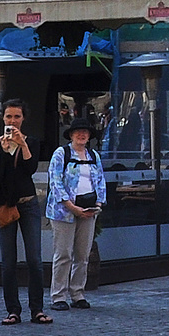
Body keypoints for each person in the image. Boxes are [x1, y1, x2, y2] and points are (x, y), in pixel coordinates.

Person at [0, 99, 47, 326]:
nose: (13, 121)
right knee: (8, 261)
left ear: (23, 119)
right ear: (3, 119)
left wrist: (22, 145)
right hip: (5, 205)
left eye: (17, 117)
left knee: (34, 259)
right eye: (9, 117)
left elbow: (30, 169)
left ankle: (37, 309)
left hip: (28, 203)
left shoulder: (30, 142)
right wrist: (4, 152)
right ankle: (13, 310)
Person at [46, 114, 105, 312]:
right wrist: (71, 206)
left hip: (88, 210)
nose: (81, 135)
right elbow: (55, 182)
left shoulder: (94, 156)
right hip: (64, 212)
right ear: (71, 135)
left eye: (85, 132)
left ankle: (78, 293)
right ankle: (58, 295)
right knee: (63, 254)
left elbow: (100, 181)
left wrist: (97, 205)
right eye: (78, 132)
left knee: (82, 255)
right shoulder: (61, 154)